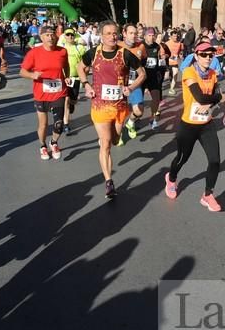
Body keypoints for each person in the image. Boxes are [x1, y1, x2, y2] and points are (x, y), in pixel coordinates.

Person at [77, 20, 146, 198]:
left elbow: (142, 73)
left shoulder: (125, 54)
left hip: (119, 107)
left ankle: (114, 137)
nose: (112, 36)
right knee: (106, 143)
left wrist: (130, 88)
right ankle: (109, 182)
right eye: (108, 33)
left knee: (115, 140)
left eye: (114, 33)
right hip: (99, 106)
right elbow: (80, 67)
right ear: (101, 35)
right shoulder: (93, 53)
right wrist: (86, 85)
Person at [164, 42, 224, 212]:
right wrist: (217, 98)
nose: (207, 58)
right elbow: (201, 97)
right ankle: (171, 178)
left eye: (210, 55)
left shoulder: (213, 74)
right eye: (203, 54)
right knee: (182, 158)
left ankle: (208, 195)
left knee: (215, 161)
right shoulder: (189, 72)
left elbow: (213, 97)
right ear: (196, 56)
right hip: (189, 125)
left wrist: (213, 100)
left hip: (206, 125)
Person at [19, 25, 70, 161]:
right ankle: (42, 146)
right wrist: (32, 75)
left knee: (59, 123)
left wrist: (67, 76)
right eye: (47, 35)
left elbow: (66, 66)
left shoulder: (62, 51)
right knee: (43, 124)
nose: (50, 37)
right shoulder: (34, 53)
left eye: (53, 34)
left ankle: (53, 143)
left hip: (59, 92)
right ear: (41, 37)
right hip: (41, 94)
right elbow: (22, 71)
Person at [61, 28, 87, 133]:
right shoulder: (61, 48)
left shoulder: (79, 48)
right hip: (64, 78)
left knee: (73, 100)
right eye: (68, 35)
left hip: (75, 78)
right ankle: (66, 124)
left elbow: (85, 63)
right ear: (64, 36)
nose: (70, 36)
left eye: (72, 35)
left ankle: (72, 104)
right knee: (66, 100)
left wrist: (84, 77)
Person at [142, 27, 167, 129]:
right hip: (142, 77)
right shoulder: (140, 46)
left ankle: (152, 119)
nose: (152, 37)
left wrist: (165, 69)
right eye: (149, 35)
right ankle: (136, 117)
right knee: (139, 103)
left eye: (153, 35)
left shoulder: (157, 46)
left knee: (156, 99)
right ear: (145, 36)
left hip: (153, 76)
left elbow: (160, 59)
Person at [165, 30, 184, 95]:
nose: (175, 37)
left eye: (176, 36)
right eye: (174, 36)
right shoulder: (167, 43)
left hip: (175, 62)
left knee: (175, 74)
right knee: (166, 76)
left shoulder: (179, 43)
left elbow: (181, 51)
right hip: (167, 62)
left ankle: (171, 89)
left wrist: (180, 55)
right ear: (171, 36)